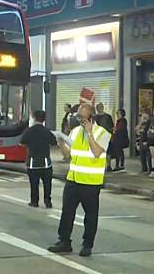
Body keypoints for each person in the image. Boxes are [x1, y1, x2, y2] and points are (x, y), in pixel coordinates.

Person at [48, 103, 111, 257]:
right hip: (73, 179)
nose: (79, 120)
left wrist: (89, 133)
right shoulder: (75, 131)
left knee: (90, 216)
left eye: (82, 117)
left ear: (91, 118)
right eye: (78, 117)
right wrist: (61, 142)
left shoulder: (102, 133)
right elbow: (68, 155)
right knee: (67, 213)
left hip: (90, 182)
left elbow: (96, 152)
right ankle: (64, 241)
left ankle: (87, 244)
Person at [20, 110, 56, 208]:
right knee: (47, 184)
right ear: (44, 119)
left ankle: (34, 201)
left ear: (34, 118)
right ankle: (47, 201)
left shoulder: (29, 131)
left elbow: (22, 143)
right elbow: (54, 143)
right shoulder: (47, 131)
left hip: (33, 162)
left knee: (34, 183)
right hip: (45, 162)